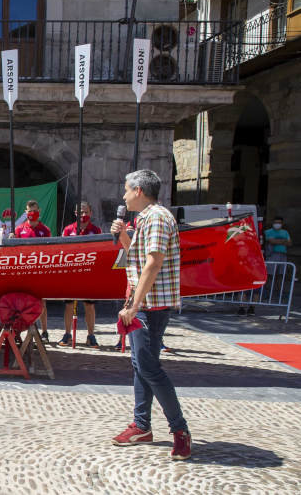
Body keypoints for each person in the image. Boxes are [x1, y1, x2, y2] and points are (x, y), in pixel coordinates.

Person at [110, 169, 191, 460]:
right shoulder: (145, 218)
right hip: (145, 302)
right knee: (140, 365)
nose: (123, 195)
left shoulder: (156, 217)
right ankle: (142, 426)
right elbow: (138, 257)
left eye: (126, 189)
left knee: (148, 367)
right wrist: (122, 236)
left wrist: (134, 306)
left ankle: (180, 431)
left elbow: (153, 264)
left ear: (139, 191)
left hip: (150, 305)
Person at [59, 201, 102, 347]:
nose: (83, 215)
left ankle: (91, 335)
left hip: (89, 273)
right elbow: (61, 249)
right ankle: (67, 334)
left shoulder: (96, 230)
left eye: (85, 212)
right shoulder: (68, 229)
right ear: (75, 213)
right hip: (71, 273)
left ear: (90, 213)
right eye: (80, 212)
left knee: (89, 305)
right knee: (69, 304)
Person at [14, 200, 51, 341]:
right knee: (22, 303)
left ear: (39, 212)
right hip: (24, 271)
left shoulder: (45, 230)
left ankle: (44, 332)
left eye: (34, 211)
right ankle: (18, 332)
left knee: (42, 303)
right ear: (25, 212)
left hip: (40, 271)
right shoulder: (19, 229)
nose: (32, 214)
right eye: (29, 211)